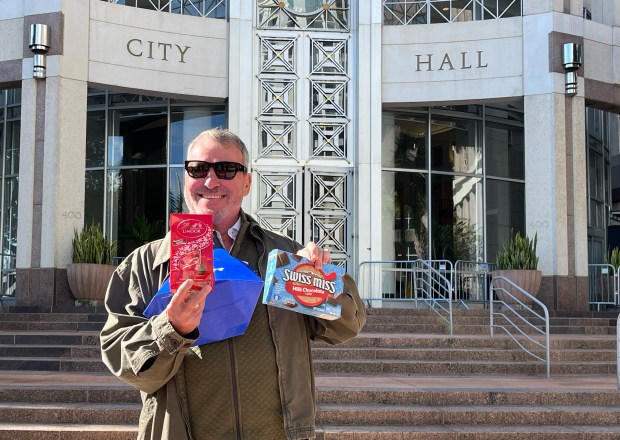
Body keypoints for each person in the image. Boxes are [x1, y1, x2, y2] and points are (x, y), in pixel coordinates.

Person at [100, 128, 366, 440]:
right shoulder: (147, 263)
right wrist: (172, 328)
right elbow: (126, 363)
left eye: (226, 169)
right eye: (198, 169)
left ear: (247, 182)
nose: (211, 181)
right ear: (185, 179)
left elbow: (347, 326)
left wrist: (319, 283)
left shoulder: (284, 256)